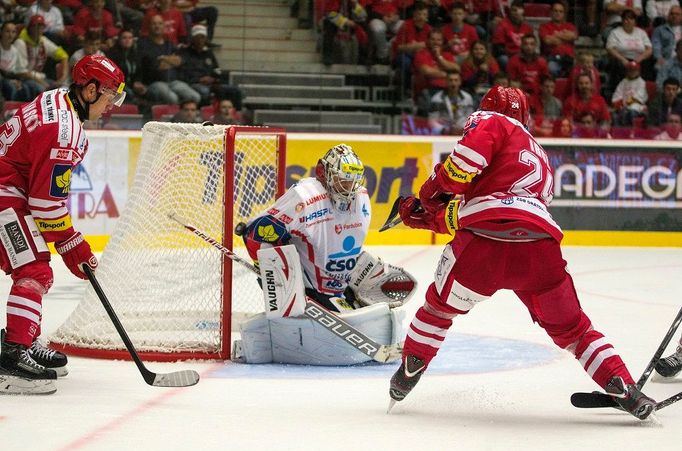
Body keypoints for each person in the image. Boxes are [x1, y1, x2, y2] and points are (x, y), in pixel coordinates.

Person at [388, 86, 657, 421]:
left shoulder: (492, 121)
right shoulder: (540, 154)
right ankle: (624, 387)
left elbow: (466, 174)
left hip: (483, 247)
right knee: (576, 332)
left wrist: (430, 194)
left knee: (438, 310)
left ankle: (412, 365)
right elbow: (506, 208)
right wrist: (431, 217)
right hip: (539, 251)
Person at [0, 54, 126, 395]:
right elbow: (45, 204)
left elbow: (41, 196)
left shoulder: (57, 98)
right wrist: (72, 245)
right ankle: (11, 358)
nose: (112, 104)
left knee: (35, 264)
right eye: (109, 95)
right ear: (89, 90)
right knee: (35, 271)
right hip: (3, 194)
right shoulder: (63, 130)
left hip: (11, 191)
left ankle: (24, 338)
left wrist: (65, 241)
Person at [234, 144, 414, 365]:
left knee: (372, 307)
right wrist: (276, 276)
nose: (349, 186)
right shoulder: (305, 197)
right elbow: (255, 232)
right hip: (310, 290)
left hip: (340, 286)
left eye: (353, 179)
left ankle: (349, 299)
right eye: (343, 178)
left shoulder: (362, 198)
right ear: (324, 173)